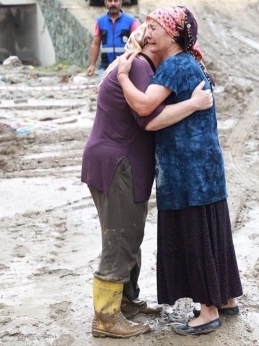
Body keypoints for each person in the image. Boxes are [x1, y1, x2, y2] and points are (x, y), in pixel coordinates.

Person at [81, 22, 214, 339]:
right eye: (150, 29)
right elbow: (149, 118)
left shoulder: (139, 64)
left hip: (120, 162)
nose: (151, 33)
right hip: (118, 162)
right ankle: (106, 317)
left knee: (130, 234)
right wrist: (193, 104)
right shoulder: (139, 67)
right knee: (120, 239)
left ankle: (126, 303)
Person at [117, 6, 243, 336]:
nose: (149, 31)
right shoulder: (187, 62)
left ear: (172, 34)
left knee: (196, 235)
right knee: (211, 229)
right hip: (205, 168)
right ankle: (224, 297)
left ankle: (208, 311)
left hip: (188, 169)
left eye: (155, 26)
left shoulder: (174, 65)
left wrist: (120, 76)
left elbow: (145, 108)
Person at [87, 0, 139, 82]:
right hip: (105, 66)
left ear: (120, 3)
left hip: (126, 66)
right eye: (110, 1)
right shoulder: (100, 22)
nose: (113, 3)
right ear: (105, 3)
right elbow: (95, 44)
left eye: (116, 1)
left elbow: (137, 45)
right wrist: (92, 65)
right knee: (102, 91)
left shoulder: (131, 22)